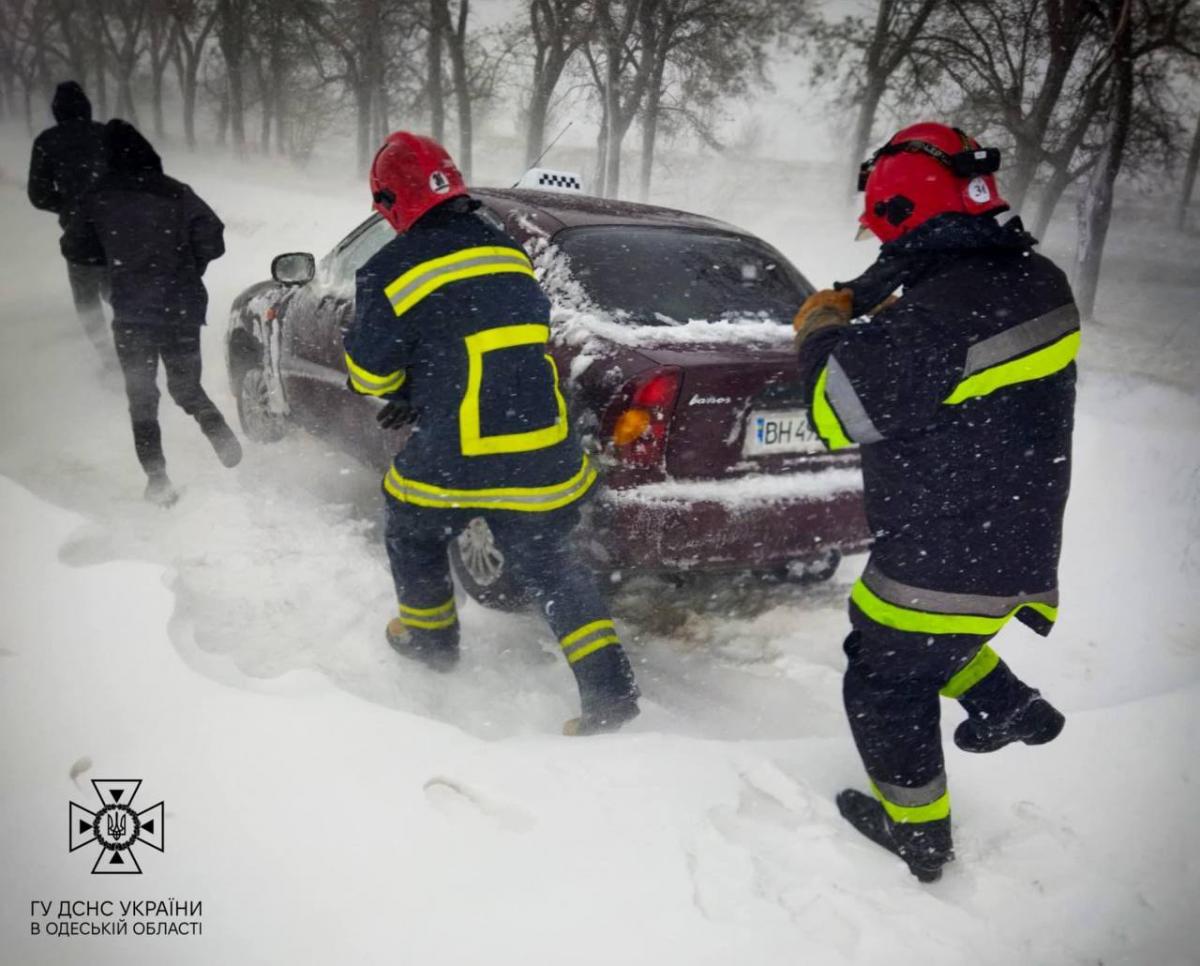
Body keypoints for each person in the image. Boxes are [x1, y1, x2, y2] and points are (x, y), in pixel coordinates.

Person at [793, 122, 1078, 881]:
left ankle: (916, 833)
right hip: (1008, 536)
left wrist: (824, 326)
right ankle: (1011, 707)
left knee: (883, 677)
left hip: (944, 546)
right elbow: (947, 294)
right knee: (917, 643)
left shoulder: (940, 317)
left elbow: (834, 408)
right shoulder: (1033, 280)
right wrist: (876, 287)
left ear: (900, 215)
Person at [343, 131, 640, 735]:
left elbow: (368, 371)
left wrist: (405, 386)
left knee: (411, 524)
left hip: (459, 451)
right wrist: (427, 377)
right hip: (541, 444)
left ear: (389, 202)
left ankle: (430, 641)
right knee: (552, 565)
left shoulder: (389, 268)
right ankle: (611, 692)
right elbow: (486, 337)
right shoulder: (506, 249)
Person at [64, 120, 242, 506]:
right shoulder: (177, 193)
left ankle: (158, 479)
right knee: (185, 387)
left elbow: (75, 248)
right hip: (180, 309)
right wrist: (186, 266)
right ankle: (215, 428)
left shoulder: (98, 197)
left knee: (142, 397)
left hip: (132, 314)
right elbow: (213, 235)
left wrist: (112, 260)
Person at [27, 81, 112, 362]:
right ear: (86, 108)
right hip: (116, 232)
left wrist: (67, 207)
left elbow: (38, 195)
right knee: (122, 294)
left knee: (87, 301)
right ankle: (137, 350)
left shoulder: (47, 142)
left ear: (57, 111)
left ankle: (107, 355)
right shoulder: (106, 135)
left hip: (80, 237)